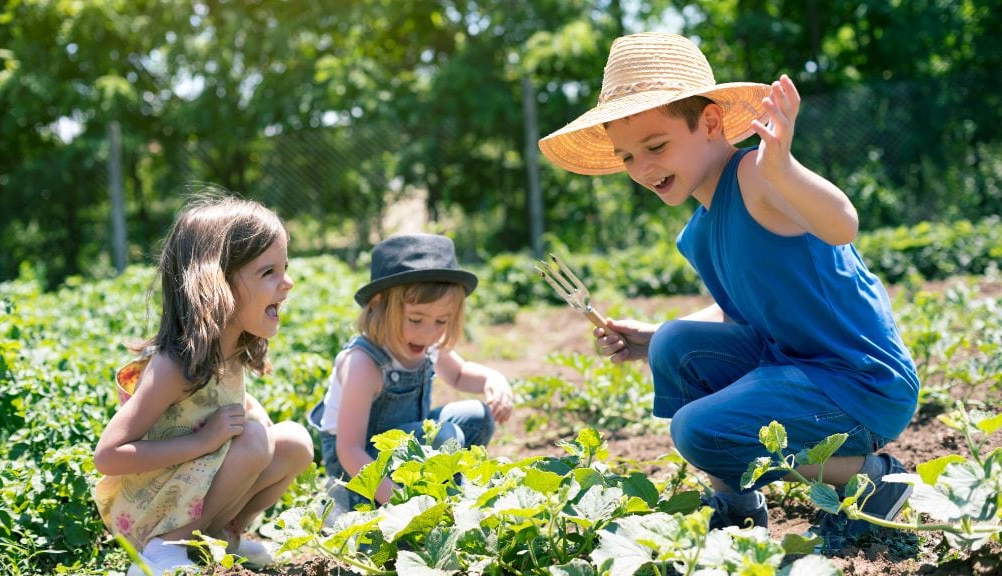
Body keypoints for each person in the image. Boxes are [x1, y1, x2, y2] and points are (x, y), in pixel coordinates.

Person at [538, 32, 919, 551]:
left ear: (712, 124)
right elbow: (741, 309)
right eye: (627, 157)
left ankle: (872, 479)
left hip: (859, 384)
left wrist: (783, 167)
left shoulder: (757, 177)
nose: (643, 169)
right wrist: (649, 338)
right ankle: (738, 503)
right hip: (799, 370)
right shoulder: (697, 232)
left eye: (655, 146)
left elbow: (843, 224)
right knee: (675, 344)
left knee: (698, 431)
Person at [93, 194, 314, 575]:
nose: (288, 283)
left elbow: (223, 408)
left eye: (285, 267)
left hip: (194, 491)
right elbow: (108, 456)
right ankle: (162, 550)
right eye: (269, 272)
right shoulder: (174, 365)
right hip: (150, 507)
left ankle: (223, 536)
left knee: (294, 441)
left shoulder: (233, 348)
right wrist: (201, 441)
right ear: (217, 284)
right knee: (256, 440)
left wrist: (249, 415)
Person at [308, 233, 514, 512]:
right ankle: (348, 504)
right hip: (358, 470)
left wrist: (494, 379)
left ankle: (447, 498)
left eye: (442, 321)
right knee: (443, 436)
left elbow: (459, 374)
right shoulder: (364, 364)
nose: (428, 332)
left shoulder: (427, 344)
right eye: (416, 319)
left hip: (405, 451)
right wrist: (402, 506)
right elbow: (349, 451)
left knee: (479, 417)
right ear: (379, 306)